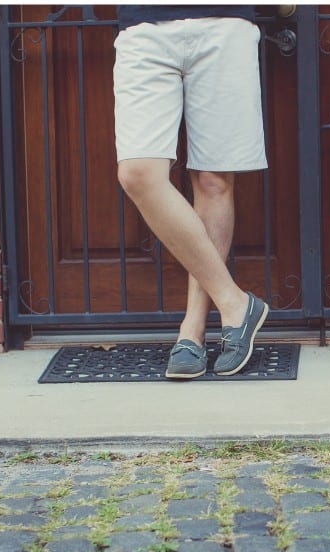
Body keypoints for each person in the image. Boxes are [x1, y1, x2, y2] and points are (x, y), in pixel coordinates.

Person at [114, 5, 269, 379]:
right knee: (138, 173)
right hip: (144, 25)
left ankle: (193, 330)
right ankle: (235, 303)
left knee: (213, 180)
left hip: (223, 23)